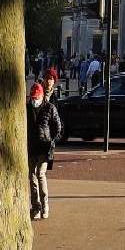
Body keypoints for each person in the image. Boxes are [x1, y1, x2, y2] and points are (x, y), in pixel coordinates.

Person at [27, 76, 62, 220]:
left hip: (45, 147)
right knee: (32, 176)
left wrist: (51, 141)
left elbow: (57, 127)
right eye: (33, 98)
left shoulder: (49, 108)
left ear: (42, 96)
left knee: (40, 174)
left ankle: (45, 205)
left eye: (37, 98)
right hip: (32, 147)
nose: (34, 101)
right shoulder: (27, 108)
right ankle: (36, 206)